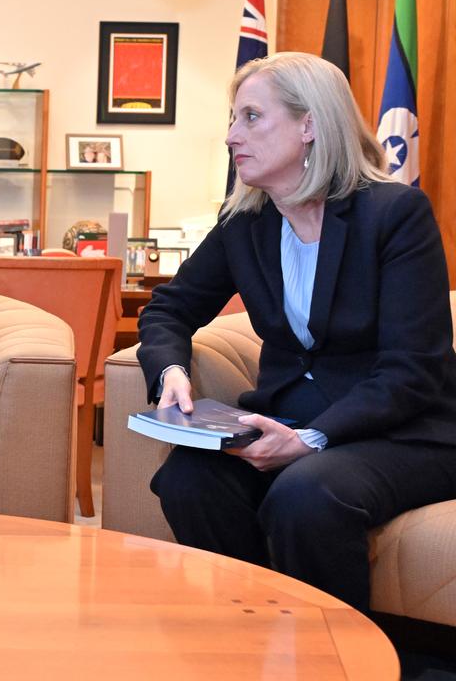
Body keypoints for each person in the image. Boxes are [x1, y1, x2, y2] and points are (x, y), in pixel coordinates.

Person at [138, 51, 456, 610]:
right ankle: (255, 634)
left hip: (403, 433)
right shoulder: (245, 223)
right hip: (288, 419)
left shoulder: (395, 215)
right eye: (232, 120)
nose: (233, 135)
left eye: (251, 117)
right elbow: (169, 308)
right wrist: (170, 371)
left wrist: (309, 440)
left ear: (309, 125)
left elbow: (414, 371)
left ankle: (338, 658)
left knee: (307, 493)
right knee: (189, 478)